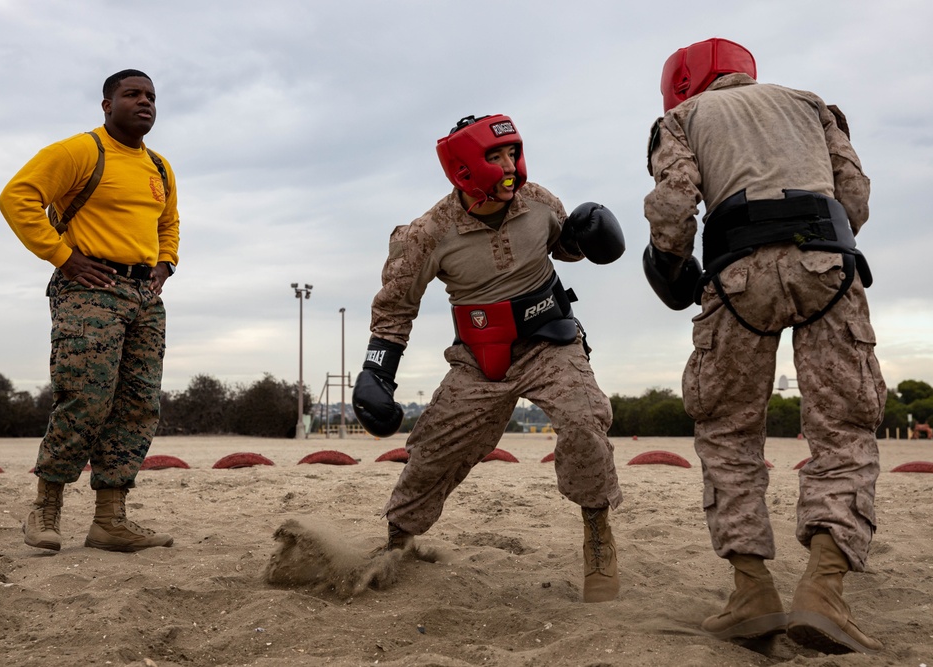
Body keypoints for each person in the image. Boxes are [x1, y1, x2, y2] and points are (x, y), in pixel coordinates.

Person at [642, 38, 886, 653]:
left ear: (683, 82)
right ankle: (824, 590)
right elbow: (854, 197)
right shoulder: (811, 103)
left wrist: (672, 262)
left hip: (737, 270)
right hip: (826, 264)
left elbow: (674, 204)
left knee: (727, 430)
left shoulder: (682, 118)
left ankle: (752, 591)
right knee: (845, 428)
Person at [352, 114, 626, 602]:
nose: (509, 167)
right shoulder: (427, 234)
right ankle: (397, 541)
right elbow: (395, 308)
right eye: (495, 157)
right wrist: (377, 371)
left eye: (513, 153)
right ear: (463, 169)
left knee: (585, 421)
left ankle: (598, 538)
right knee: (433, 450)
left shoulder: (539, 202)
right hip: (479, 359)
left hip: (550, 342)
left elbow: (562, 248)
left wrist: (584, 238)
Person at [0, 69, 180, 553]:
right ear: (107, 105)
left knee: (139, 404)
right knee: (85, 399)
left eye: (151, 96)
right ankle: (45, 509)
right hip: (89, 289)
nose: (145, 102)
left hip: (144, 298)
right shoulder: (81, 151)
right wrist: (63, 256)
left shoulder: (159, 167)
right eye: (132, 94)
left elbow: (168, 223)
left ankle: (110, 520)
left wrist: (166, 265)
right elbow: (17, 197)